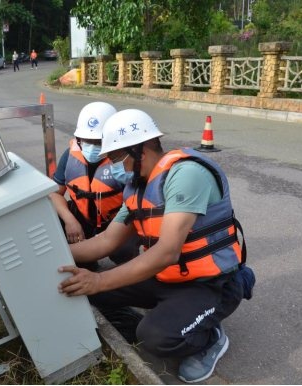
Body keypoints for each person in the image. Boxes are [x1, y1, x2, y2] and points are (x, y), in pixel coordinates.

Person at [57, 109, 255, 383]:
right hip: (168, 277)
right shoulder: (136, 187)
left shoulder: (186, 175)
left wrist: (100, 279)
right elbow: (106, 241)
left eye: (115, 159)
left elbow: (167, 251)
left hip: (210, 283)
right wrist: (53, 256)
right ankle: (181, 314)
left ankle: (211, 338)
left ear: (140, 150)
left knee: (155, 337)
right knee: (89, 294)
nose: (112, 167)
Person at [50, 102, 139, 267]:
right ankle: (86, 260)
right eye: (87, 141)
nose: (92, 147)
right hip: (83, 218)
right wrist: (70, 221)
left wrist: (110, 234)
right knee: (53, 219)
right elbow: (54, 193)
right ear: (79, 138)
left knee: (123, 251)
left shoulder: (123, 159)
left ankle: (126, 268)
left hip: (116, 219)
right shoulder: (70, 156)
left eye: (98, 142)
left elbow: (136, 203)